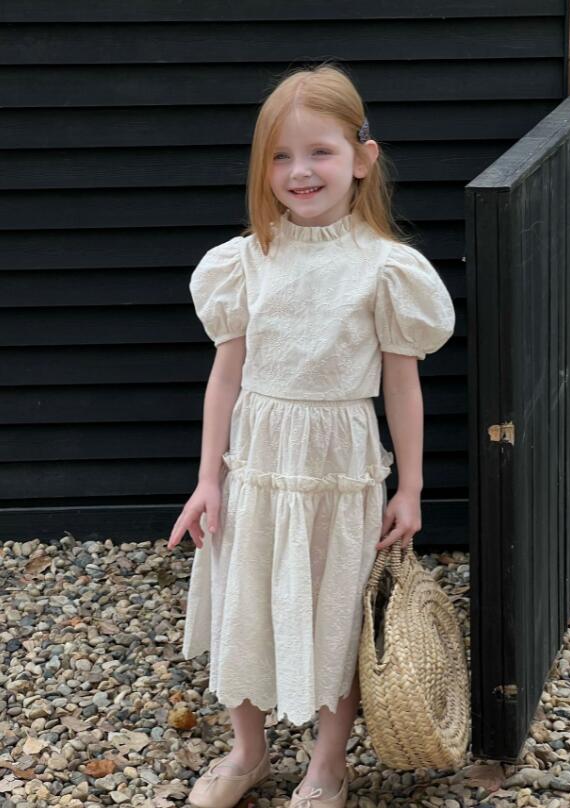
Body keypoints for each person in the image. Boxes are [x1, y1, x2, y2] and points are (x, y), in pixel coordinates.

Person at [166, 61, 456, 808]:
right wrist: (207, 479)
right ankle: (247, 751)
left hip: (339, 467)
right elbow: (225, 378)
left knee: (335, 614)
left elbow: (402, 385)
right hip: (256, 463)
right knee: (246, 602)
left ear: (362, 158)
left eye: (319, 151)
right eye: (281, 156)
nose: (299, 171)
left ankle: (328, 766)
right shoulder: (244, 263)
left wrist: (412, 487)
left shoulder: (385, 269)